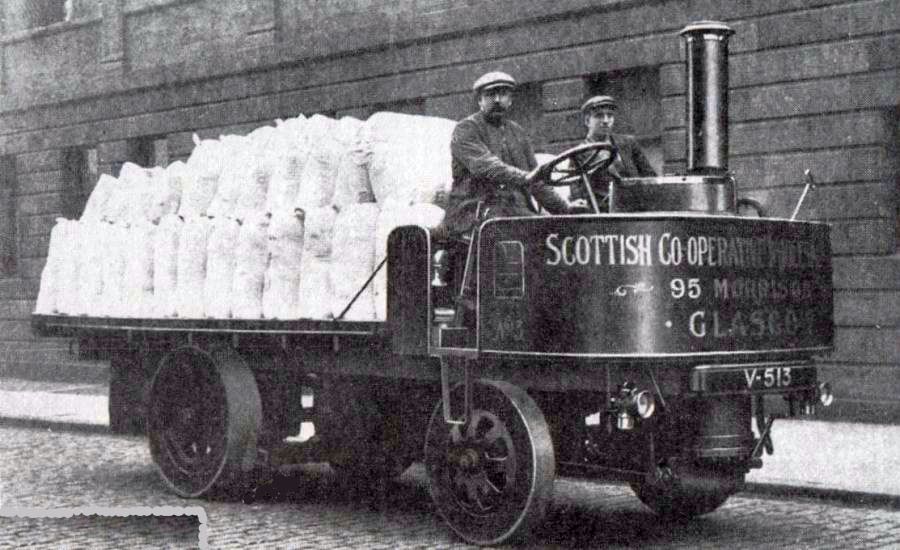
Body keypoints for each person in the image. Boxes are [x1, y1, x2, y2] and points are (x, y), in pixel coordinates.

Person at [442, 71, 573, 238]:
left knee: (562, 233)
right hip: (475, 213)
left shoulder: (518, 133)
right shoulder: (467, 129)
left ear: (510, 100)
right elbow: (485, 166)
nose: (497, 100)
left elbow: (537, 183)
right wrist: (526, 177)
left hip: (516, 212)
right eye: (490, 94)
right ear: (480, 100)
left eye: (503, 94)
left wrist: (566, 209)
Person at [569, 95, 657, 206]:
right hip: (606, 214)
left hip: (637, 207)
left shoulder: (628, 143)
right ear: (587, 121)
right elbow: (577, 195)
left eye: (609, 115)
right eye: (599, 116)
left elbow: (650, 176)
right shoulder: (578, 154)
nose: (606, 121)